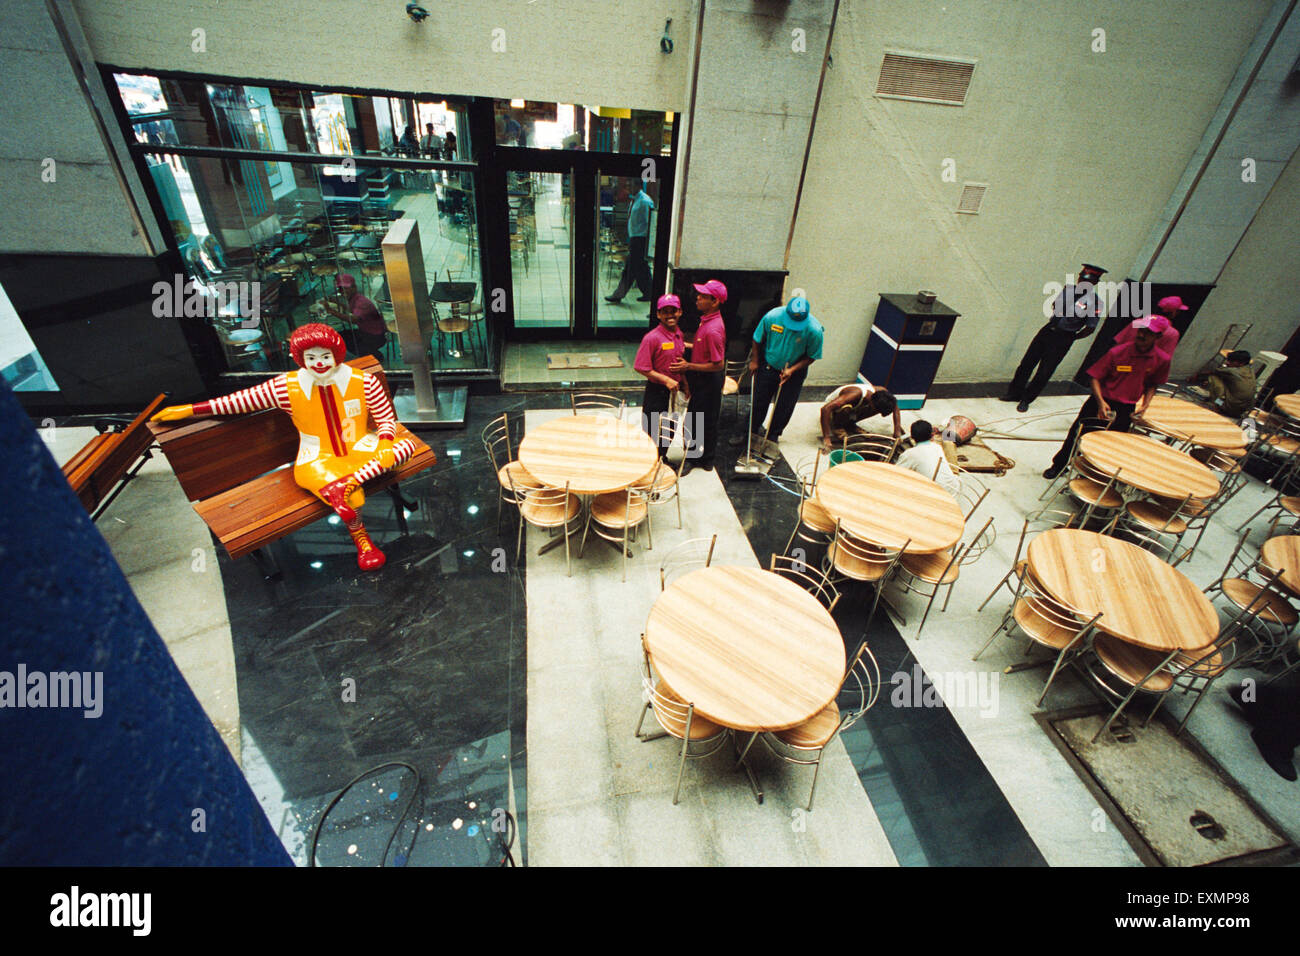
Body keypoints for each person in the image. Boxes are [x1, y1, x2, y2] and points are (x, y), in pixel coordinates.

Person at [150, 323, 417, 570]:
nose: (319, 363)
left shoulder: (364, 382)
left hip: (361, 448)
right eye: (311, 358)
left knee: (403, 448)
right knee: (354, 498)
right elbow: (238, 401)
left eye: (325, 356)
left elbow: (385, 418)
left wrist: (384, 441)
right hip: (318, 458)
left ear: (337, 353)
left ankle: (344, 483)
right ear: (300, 360)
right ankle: (363, 540)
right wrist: (190, 410)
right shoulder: (286, 387)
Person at [1043, 317, 1171, 479]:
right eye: (1141, 330)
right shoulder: (1117, 352)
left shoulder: (1162, 360)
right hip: (1101, 402)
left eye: (1148, 333)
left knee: (1110, 444)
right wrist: (1101, 403)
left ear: (1158, 337)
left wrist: (1145, 404)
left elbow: (1153, 384)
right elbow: (1095, 378)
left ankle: (1088, 474)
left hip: (1126, 409)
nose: (1141, 335)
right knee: (1078, 435)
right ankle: (1059, 465)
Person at [1003, 263, 1107, 412]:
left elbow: (1090, 328)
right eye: (1081, 278)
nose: (1082, 282)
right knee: (1026, 363)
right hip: (1048, 330)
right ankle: (1014, 393)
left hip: (1064, 337)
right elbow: (1054, 305)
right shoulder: (1067, 290)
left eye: (1087, 281)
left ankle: (1026, 399)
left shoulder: (1096, 303)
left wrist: (1071, 336)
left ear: (1095, 283)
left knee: (1045, 371)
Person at [746, 293, 824, 452]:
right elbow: (757, 338)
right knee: (759, 401)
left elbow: (812, 356)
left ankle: (773, 436)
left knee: (784, 406)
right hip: (768, 366)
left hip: (794, 373)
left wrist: (792, 369)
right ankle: (750, 432)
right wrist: (755, 360)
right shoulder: (772, 316)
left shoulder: (814, 330)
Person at [671, 279, 727, 472]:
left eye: (703, 296)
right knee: (708, 418)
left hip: (708, 379)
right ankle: (707, 459)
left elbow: (717, 364)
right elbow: (707, 351)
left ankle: (692, 459)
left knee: (693, 420)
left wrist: (688, 365)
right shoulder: (709, 321)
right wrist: (689, 347)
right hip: (706, 378)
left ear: (715, 301)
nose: (698, 298)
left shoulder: (712, 330)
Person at [634, 294, 689, 459]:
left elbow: (678, 361)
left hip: (674, 391)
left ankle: (662, 457)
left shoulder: (678, 334)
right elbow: (641, 367)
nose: (670, 315)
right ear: (658, 314)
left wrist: (685, 383)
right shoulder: (652, 338)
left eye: (674, 311)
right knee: (651, 428)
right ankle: (650, 460)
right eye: (665, 312)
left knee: (670, 426)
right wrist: (666, 379)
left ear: (680, 312)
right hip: (657, 390)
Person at [605, 180, 654, 303]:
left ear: (637, 185)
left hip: (641, 240)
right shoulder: (635, 200)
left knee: (631, 268)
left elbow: (651, 223)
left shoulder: (645, 201)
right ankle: (649, 293)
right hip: (634, 239)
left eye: (630, 185)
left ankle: (618, 295)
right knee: (639, 268)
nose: (627, 189)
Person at [819, 381, 902, 451]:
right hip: (834, 410)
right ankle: (838, 426)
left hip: (857, 407)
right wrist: (826, 437)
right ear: (872, 403)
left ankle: (850, 424)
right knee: (846, 408)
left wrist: (897, 432)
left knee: (872, 409)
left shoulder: (883, 394)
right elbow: (825, 409)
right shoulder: (854, 395)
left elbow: (895, 408)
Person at [321, 274, 387, 361]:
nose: (343, 291)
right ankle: (370, 352)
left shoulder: (361, 302)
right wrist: (336, 302)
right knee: (342, 335)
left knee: (345, 339)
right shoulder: (355, 298)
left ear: (354, 287)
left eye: (346, 288)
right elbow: (351, 310)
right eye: (341, 288)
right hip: (370, 333)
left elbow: (354, 319)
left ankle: (372, 355)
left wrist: (331, 311)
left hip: (374, 337)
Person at [896, 420, 960, 494]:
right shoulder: (937, 447)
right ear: (932, 435)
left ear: (912, 437)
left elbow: (895, 473)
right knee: (948, 443)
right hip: (953, 490)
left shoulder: (909, 454)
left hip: (934, 495)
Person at [1114, 296, 1187, 356]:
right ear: (1173, 313)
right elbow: (1165, 357)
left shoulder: (1136, 323)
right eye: (1178, 311)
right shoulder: (1173, 334)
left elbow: (1117, 343)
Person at [1195, 349, 1256, 417]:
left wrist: (1195, 376)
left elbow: (1212, 372)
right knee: (1225, 382)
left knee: (1213, 378)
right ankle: (1221, 403)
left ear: (1241, 363)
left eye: (1231, 362)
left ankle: (1218, 405)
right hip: (1240, 411)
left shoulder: (1233, 371)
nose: (1227, 363)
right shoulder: (1250, 371)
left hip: (1228, 409)